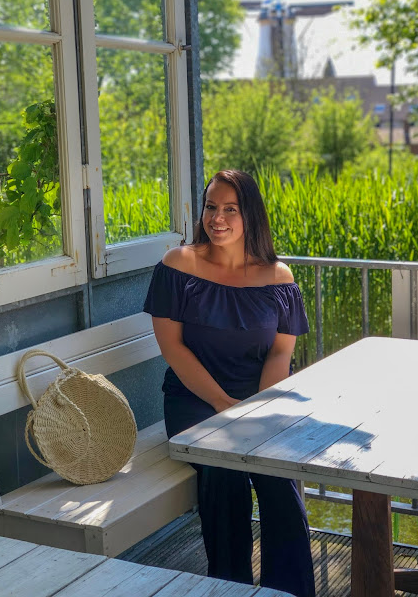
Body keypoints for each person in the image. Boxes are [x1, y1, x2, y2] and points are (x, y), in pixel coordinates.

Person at [143, 169, 315, 597]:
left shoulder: (278, 277)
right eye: (211, 207)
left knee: (277, 473)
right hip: (194, 400)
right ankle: (229, 587)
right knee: (224, 471)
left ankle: (289, 591)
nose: (217, 218)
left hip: (258, 400)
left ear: (250, 215)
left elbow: (280, 353)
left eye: (230, 209)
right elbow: (173, 348)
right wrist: (223, 404)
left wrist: (259, 408)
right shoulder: (178, 265)